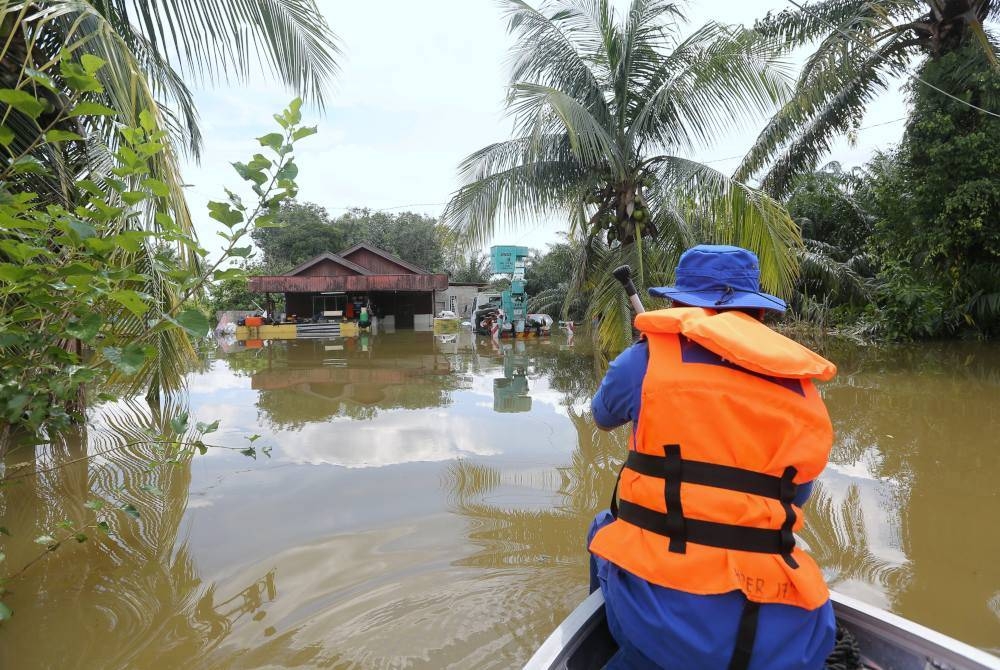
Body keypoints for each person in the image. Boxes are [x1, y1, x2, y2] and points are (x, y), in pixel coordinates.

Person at [588, 244, 838, 670]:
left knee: (603, 528)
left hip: (661, 624)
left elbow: (601, 415)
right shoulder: (801, 388)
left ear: (679, 305)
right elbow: (796, 497)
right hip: (787, 637)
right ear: (758, 314)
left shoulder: (645, 361)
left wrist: (647, 364)